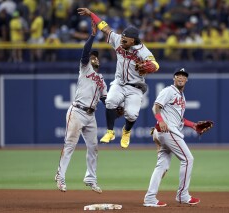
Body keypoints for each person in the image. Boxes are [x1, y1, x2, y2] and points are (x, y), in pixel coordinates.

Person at [77, 7, 160, 149]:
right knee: (110, 101)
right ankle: (110, 132)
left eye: (125, 40)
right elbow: (104, 27)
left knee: (132, 114)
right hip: (119, 83)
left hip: (136, 87)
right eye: (121, 38)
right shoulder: (118, 40)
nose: (121, 41)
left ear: (133, 40)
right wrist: (91, 14)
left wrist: (150, 67)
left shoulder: (143, 50)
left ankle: (126, 131)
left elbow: (155, 65)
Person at [55, 21, 107, 194]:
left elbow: (107, 102)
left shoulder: (102, 80)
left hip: (91, 116)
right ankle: (60, 176)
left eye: (96, 56)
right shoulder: (85, 68)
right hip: (77, 111)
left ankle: (90, 178)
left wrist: (118, 109)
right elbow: (85, 52)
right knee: (70, 145)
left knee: (94, 147)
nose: (94, 57)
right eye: (93, 56)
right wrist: (92, 36)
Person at [143, 68, 200, 207]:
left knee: (161, 166)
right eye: (178, 75)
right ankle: (182, 195)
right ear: (174, 78)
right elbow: (155, 107)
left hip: (167, 131)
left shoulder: (181, 96)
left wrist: (193, 125)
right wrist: (160, 120)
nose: (181, 77)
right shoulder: (169, 91)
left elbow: (179, 119)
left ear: (186, 80)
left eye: (184, 76)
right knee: (188, 159)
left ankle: (150, 198)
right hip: (168, 131)